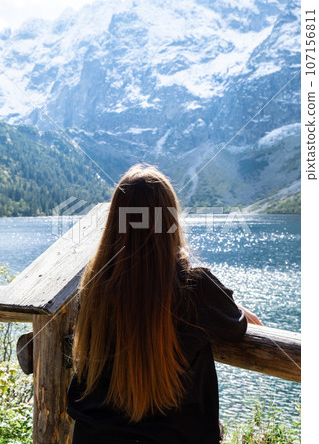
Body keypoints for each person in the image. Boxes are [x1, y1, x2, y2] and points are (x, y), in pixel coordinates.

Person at [66, 164, 262, 444]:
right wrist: (236, 307)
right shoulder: (194, 287)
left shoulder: (95, 285)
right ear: (170, 219)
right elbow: (235, 327)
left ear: (114, 220)